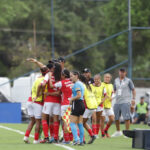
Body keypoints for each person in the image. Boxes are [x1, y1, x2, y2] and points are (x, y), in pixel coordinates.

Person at [24, 67, 49, 144]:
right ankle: (36, 139)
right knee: (38, 122)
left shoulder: (37, 79)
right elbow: (43, 92)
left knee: (32, 121)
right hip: (37, 102)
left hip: (30, 101)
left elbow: (32, 91)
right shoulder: (45, 81)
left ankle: (26, 137)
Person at [49, 69, 73, 144]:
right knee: (72, 122)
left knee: (65, 122)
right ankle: (72, 138)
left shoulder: (62, 82)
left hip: (64, 105)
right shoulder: (73, 82)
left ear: (64, 75)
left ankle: (66, 140)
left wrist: (49, 77)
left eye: (62, 75)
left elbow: (51, 86)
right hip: (72, 104)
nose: (60, 76)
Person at [40, 63, 62, 143]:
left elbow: (43, 84)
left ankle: (46, 137)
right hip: (58, 101)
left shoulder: (48, 74)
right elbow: (59, 92)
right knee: (56, 119)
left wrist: (43, 92)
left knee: (44, 117)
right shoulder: (60, 77)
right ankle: (55, 137)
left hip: (49, 100)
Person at [112, 68, 136, 137]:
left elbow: (133, 90)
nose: (122, 73)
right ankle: (118, 131)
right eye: (120, 72)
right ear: (119, 72)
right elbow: (114, 90)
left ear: (125, 73)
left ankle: (127, 133)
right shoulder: (116, 80)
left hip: (126, 101)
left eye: (123, 72)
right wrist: (111, 97)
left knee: (126, 118)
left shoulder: (128, 80)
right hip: (117, 102)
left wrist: (133, 99)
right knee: (116, 118)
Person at [80, 75, 97, 144]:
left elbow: (80, 96)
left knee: (80, 123)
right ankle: (92, 135)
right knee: (83, 123)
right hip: (92, 107)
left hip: (87, 107)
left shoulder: (82, 86)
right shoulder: (88, 86)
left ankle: (82, 140)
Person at [69, 71, 85, 146]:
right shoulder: (81, 83)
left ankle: (76, 140)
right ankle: (81, 141)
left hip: (77, 104)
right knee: (80, 124)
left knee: (72, 123)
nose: (70, 77)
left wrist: (71, 99)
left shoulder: (77, 84)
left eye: (71, 76)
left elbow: (79, 95)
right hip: (82, 104)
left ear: (76, 76)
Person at [101, 73, 114, 138]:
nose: (107, 78)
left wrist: (112, 97)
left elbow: (112, 93)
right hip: (102, 104)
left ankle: (105, 130)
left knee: (112, 119)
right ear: (104, 78)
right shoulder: (101, 84)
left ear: (110, 78)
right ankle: (103, 134)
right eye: (106, 77)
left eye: (108, 77)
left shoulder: (111, 85)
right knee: (102, 119)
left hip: (109, 105)